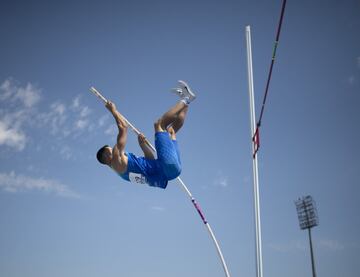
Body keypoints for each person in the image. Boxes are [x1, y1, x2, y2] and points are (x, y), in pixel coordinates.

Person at [96, 80, 196, 189]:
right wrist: (113, 111)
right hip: (166, 166)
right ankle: (186, 99)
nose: (113, 149)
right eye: (110, 149)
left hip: (172, 171)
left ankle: (186, 101)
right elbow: (123, 127)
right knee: (159, 125)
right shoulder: (116, 160)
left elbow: (150, 161)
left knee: (171, 131)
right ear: (106, 155)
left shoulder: (123, 173)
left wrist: (143, 146)